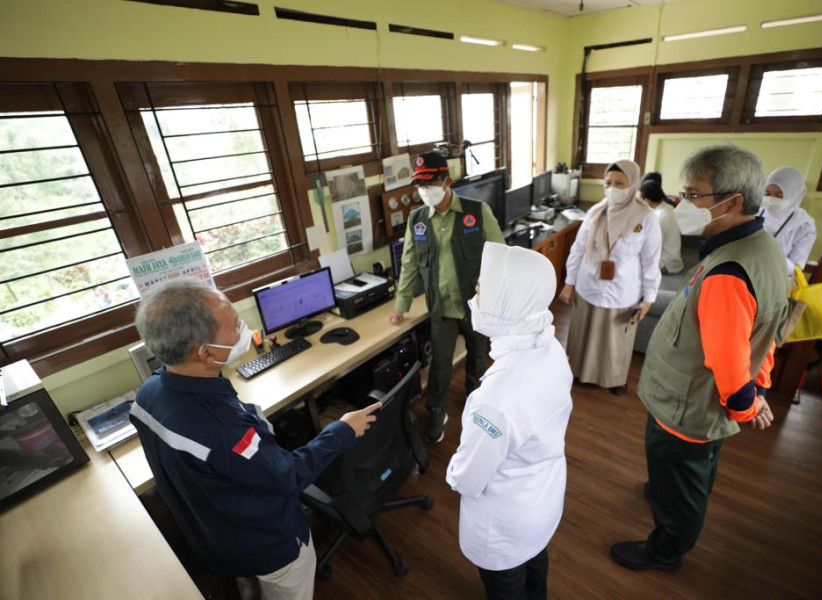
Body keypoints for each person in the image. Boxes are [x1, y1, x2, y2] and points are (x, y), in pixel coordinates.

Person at [129, 278, 380, 600]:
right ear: (205, 353)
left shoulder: (149, 391)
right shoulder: (225, 430)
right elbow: (288, 475)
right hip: (269, 545)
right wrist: (341, 430)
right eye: (235, 325)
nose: (244, 329)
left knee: (249, 588)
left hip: (213, 534)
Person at [611, 145, 789, 572]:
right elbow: (767, 335)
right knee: (696, 466)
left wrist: (747, 403)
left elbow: (729, 358)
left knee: (681, 474)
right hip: (695, 401)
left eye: (693, 194)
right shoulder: (759, 246)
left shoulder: (731, 271)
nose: (681, 202)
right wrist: (758, 387)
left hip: (688, 405)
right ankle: (672, 493)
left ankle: (666, 550)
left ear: (732, 202)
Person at [446, 242, 573, 600]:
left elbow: (467, 479)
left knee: (508, 588)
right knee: (535, 571)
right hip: (541, 499)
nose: (475, 295)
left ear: (508, 298)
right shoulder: (547, 344)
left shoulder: (495, 400)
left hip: (504, 524)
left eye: (482, 288)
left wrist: (451, 470)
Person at [389, 151, 505, 443]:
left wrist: (491, 288)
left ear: (447, 181)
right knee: (440, 366)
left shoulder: (476, 211)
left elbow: (500, 254)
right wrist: (401, 306)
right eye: (419, 185)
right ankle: (437, 412)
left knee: (479, 361)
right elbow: (409, 265)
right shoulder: (417, 220)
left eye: (430, 184)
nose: (424, 191)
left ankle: (476, 408)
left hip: (476, 305)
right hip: (441, 307)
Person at [559, 159, 661, 396]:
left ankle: (615, 379)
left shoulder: (646, 218)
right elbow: (578, 249)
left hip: (622, 291)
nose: (612, 187)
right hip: (589, 285)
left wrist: (649, 299)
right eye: (608, 182)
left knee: (615, 341)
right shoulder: (595, 212)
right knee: (582, 335)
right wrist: (569, 283)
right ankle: (579, 373)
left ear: (633, 184)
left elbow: (651, 262)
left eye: (619, 182)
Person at [760, 166, 817, 273]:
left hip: (778, 278)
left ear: (795, 195)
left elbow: (796, 268)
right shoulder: (756, 212)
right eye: (767, 194)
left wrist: (770, 254)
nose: (771, 199)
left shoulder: (804, 225)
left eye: (779, 195)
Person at [639, 172, 683, 275]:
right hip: (668, 257)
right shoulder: (666, 207)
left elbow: (651, 247)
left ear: (647, 201)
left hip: (667, 263)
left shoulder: (661, 217)